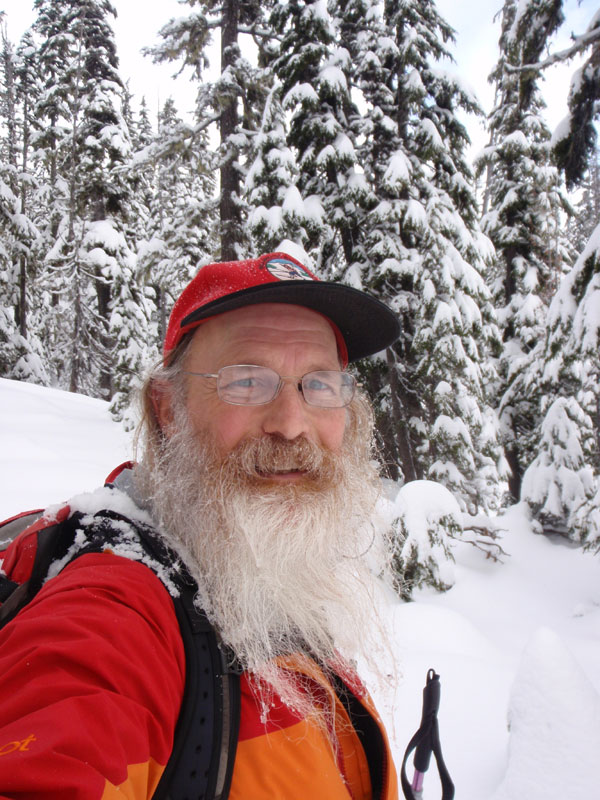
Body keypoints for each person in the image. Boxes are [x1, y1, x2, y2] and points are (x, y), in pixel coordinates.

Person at [0, 251, 401, 799]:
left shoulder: (263, 569)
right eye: (247, 381)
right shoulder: (113, 611)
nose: (290, 424)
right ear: (168, 408)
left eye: (319, 384)